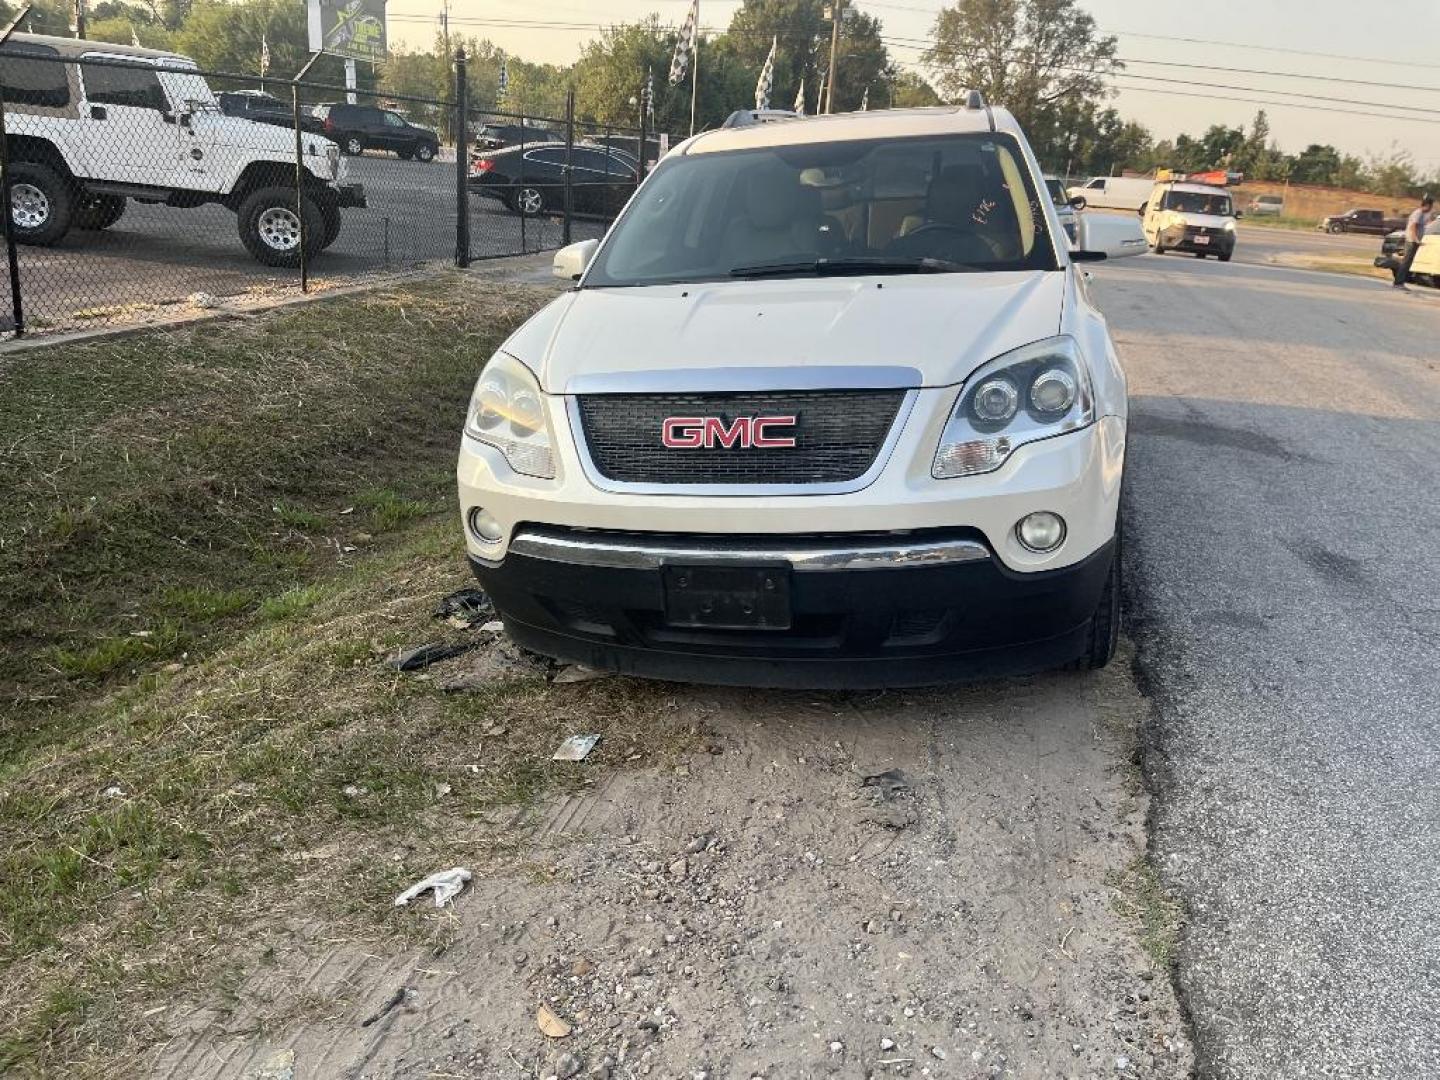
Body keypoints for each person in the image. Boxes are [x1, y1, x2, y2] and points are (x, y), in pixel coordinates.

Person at [1392, 194, 1434, 289]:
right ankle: (1398, 283)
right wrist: (1416, 239)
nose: (1431, 208)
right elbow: (1413, 226)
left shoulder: (1423, 214)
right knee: (1406, 262)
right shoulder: (1418, 213)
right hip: (1412, 241)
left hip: (1415, 241)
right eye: (1431, 206)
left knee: (1408, 262)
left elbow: (1426, 224)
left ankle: (1400, 282)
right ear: (1427, 205)